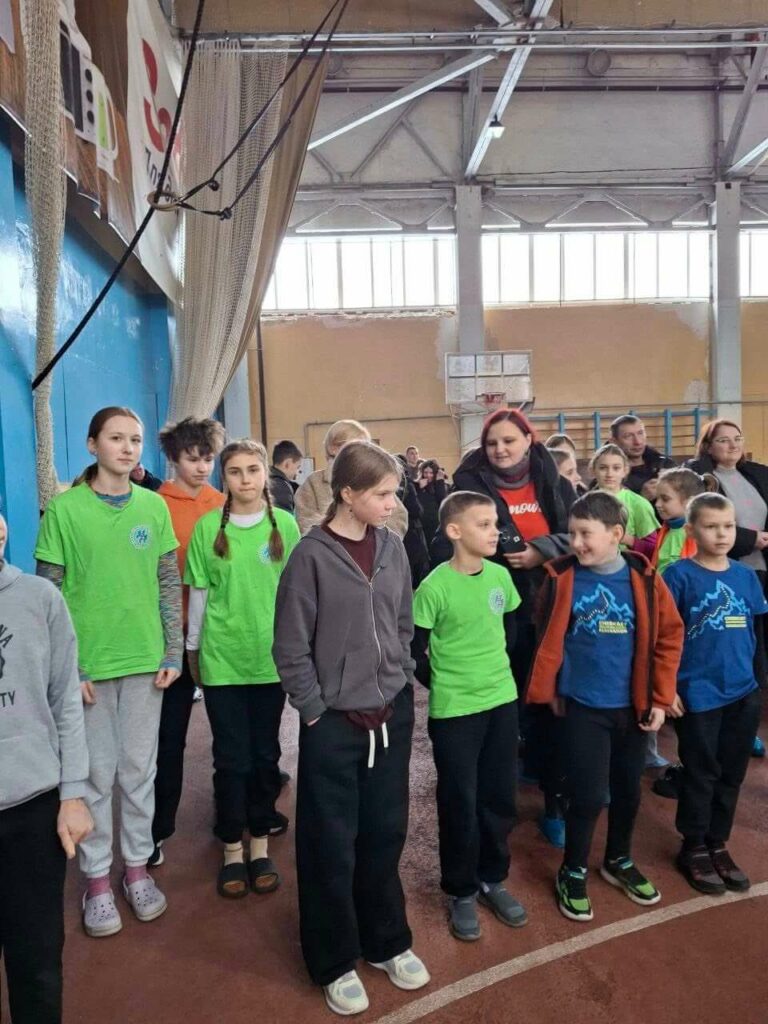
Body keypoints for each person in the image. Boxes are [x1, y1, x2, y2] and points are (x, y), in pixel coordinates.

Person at [273, 440, 429, 1017]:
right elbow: (290, 645)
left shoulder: (392, 548)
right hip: (333, 724)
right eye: (382, 494)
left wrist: (400, 679)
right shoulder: (309, 558)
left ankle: (385, 940)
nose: (392, 504)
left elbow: (403, 621)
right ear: (347, 494)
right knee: (329, 844)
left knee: (385, 833)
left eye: (394, 494)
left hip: (390, 714)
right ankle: (334, 958)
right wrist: (315, 709)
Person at [35, 407, 183, 938]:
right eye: (116, 438)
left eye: (135, 440)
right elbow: (48, 595)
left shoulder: (153, 506)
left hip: (146, 662)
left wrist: (172, 652)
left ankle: (137, 869)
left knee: (139, 771)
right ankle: (97, 880)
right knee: (95, 776)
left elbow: (168, 582)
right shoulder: (64, 510)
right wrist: (67, 667)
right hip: (89, 669)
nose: (127, 448)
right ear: (92, 443)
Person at [526, 491, 683, 923]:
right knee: (590, 793)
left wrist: (659, 697)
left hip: (632, 707)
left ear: (616, 534)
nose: (576, 543)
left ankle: (618, 859)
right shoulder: (561, 577)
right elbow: (546, 635)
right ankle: (573, 868)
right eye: (572, 534)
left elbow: (669, 637)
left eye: (585, 534)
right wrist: (550, 687)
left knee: (629, 789)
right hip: (582, 707)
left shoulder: (645, 579)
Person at [432, 408, 576, 848]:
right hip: (495, 612)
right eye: (492, 442)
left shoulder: (555, 482)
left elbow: (580, 534)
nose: (500, 449)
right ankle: (494, 807)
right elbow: (455, 539)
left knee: (550, 706)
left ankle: (554, 802)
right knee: (503, 711)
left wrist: (540, 550)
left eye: (509, 441)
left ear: (528, 440)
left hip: (550, 607)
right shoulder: (468, 485)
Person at [185, 440, 300, 898]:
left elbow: (296, 595)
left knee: (265, 755)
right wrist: (193, 652)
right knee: (231, 758)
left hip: (270, 663)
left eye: (253, 469)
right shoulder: (207, 528)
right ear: (225, 477)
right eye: (235, 471)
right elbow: (199, 594)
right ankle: (232, 847)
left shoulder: (284, 525)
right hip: (222, 662)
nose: (245, 479)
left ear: (265, 474)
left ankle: (260, 842)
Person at [412, 492, 527, 942]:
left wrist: (495, 676)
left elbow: (510, 631)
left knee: (499, 796)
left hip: (500, 702)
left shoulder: (500, 576)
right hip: (455, 709)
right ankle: (461, 889)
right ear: (455, 531)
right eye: (484, 524)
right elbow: (415, 649)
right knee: (459, 798)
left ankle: (491, 879)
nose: (495, 531)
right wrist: (445, 681)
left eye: (495, 523)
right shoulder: (434, 587)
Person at [0, 512, 93, 1024]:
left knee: (36, 962)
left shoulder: (40, 599)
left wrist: (73, 792)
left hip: (33, 807)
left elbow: (65, 701)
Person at [664, 493, 767, 894]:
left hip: (743, 693)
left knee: (731, 772)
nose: (722, 534)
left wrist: (757, 685)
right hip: (698, 694)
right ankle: (693, 845)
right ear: (692, 531)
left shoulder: (745, 577)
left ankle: (717, 841)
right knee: (701, 771)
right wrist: (667, 688)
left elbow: (756, 635)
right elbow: (662, 638)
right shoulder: (678, 576)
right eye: (711, 527)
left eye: (727, 526)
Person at [148, 417, 226, 869]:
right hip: (173, 638)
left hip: (220, 638)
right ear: (173, 459)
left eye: (207, 459)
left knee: (230, 736)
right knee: (169, 739)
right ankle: (158, 829)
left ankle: (232, 818)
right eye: (192, 459)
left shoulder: (225, 505)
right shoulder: (155, 506)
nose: (201, 467)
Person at [686, 418, 768, 757]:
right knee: (730, 649)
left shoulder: (757, 474)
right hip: (726, 572)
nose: (733, 445)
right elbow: (708, 524)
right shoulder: (701, 477)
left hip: (760, 571)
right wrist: (750, 539)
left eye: (737, 438)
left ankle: (748, 726)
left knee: (756, 651)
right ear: (708, 446)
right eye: (723, 440)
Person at [295, 419, 408, 538]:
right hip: (328, 548)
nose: (361, 453)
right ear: (333, 448)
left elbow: (399, 517)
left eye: (366, 448)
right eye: (354, 446)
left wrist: (374, 539)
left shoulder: (377, 480)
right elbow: (306, 523)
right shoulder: (314, 483)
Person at [590, 444, 659, 556]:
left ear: (625, 471)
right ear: (593, 470)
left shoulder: (639, 504)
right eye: (603, 468)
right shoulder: (584, 504)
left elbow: (654, 549)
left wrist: (626, 539)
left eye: (616, 468)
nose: (609, 474)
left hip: (627, 564)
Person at [610, 414, 674, 495]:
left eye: (640, 433)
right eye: (628, 436)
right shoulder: (611, 475)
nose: (637, 442)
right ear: (614, 441)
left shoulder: (665, 464)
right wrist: (642, 497)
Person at [417, 459, 449, 545]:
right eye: (425, 472)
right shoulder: (417, 485)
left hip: (436, 523)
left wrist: (440, 482)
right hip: (422, 524)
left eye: (431, 473)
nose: (428, 475)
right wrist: (420, 489)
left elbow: (442, 501)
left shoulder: (441, 485)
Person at [270, 439, 304, 515]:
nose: (297, 473)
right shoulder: (282, 488)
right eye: (297, 467)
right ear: (287, 464)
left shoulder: (265, 480)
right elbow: (286, 519)